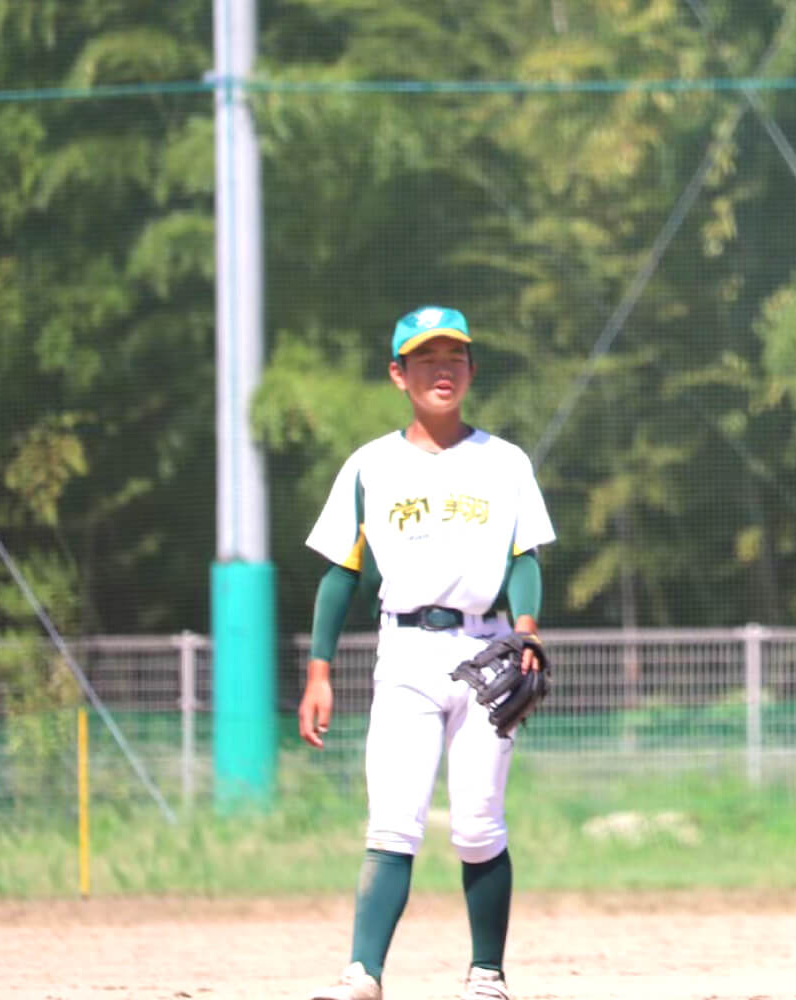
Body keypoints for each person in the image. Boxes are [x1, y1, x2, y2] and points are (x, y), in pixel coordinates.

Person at [299, 305, 556, 1000]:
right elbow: (341, 573)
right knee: (393, 819)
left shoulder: (505, 462)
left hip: (483, 652)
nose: (442, 371)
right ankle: (364, 973)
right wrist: (319, 671)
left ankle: (487, 973)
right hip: (404, 651)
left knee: (478, 824)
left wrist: (526, 626)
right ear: (398, 374)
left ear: (471, 370)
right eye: (425, 360)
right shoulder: (370, 466)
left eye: (455, 358)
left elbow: (522, 556)